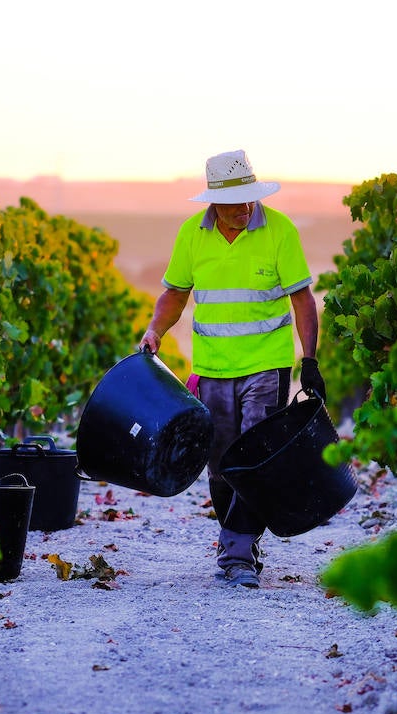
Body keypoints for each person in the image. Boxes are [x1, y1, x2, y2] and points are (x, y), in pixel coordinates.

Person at [139, 149, 325, 588]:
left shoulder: (279, 230)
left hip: (267, 365)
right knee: (220, 464)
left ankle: (239, 550)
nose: (244, 209)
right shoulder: (192, 235)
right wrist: (154, 330)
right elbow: (175, 295)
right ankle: (235, 536)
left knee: (255, 456)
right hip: (213, 367)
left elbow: (302, 300)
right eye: (235, 202)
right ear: (213, 204)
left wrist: (310, 360)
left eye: (249, 200)